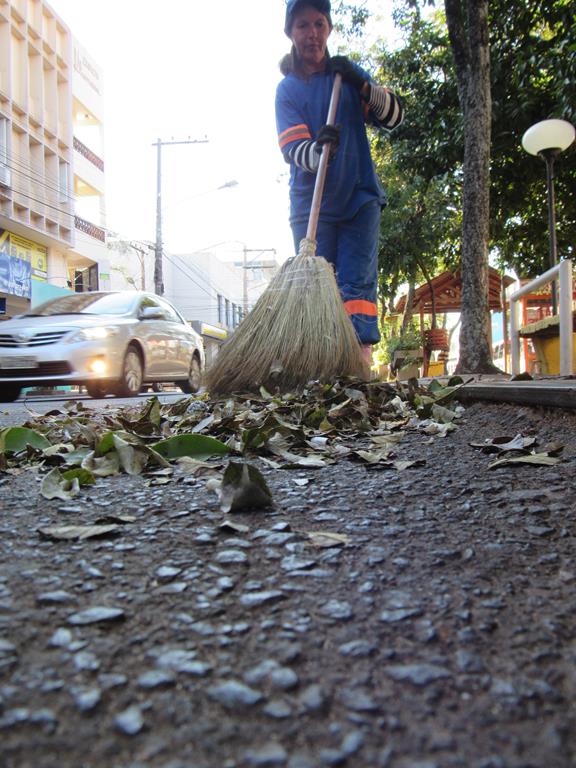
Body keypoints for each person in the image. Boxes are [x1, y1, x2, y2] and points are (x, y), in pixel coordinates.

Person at [276, 0, 403, 363]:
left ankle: (360, 361)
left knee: (357, 285)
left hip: (359, 197)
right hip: (310, 207)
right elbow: (294, 150)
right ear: (290, 32)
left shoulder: (344, 79)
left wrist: (361, 82)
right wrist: (320, 149)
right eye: (302, 25)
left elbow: (393, 117)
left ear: (329, 28)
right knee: (317, 289)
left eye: (319, 23)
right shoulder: (287, 90)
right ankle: (321, 364)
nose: (312, 33)